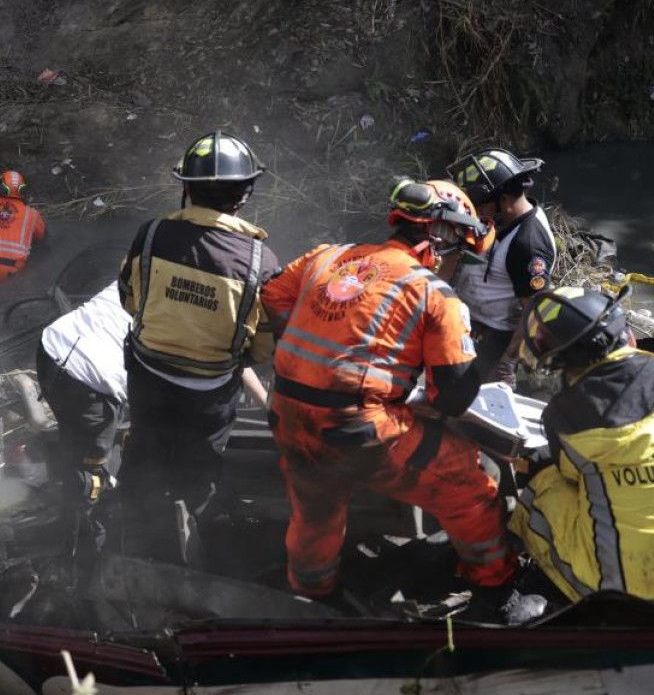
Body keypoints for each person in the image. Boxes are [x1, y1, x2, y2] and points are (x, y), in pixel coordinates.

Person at [261, 179, 518, 609]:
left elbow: (273, 294)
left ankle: (311, 594)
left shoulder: (328, 256)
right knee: (471, 487)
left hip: (287, 415)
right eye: (457, 251)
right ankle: (495, 586)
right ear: (439, 236)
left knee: (315, 512)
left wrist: (314, 356)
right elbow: (449, 401)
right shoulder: (434, 295)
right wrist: (482, 357)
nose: (453, 263)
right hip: (361, 433)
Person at [115, 130, 280, 565]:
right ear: (245, 194)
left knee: (144, 453)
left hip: (148, 378)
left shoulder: (150, 235)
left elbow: (129, 299)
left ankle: (123, 542)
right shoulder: (261, 262)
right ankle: (191, 554)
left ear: (186, 188)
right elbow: (262, 346)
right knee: (200, 472)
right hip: (209, 395)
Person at [510, 285, 654, 606]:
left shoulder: (564, 417)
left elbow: (571, 477)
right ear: (628, 337)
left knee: (539, 485)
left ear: (562, 366)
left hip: (638, 597)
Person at [35, 283, 132, 575]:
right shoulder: (182, 310)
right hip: (90, 381)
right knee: (91, 479)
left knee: (74, 447)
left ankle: (67, 505)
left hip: (51, 351)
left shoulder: (139, 267)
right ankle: (83, 562)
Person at [445, 147, 557, 387]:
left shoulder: (527, 244)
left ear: (503, 199)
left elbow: (534, 309)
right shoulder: (502, 219)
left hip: (494, 338)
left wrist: (506, 361)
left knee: (469, 407)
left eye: (481, 204)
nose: (476, 211)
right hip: (467, 323)